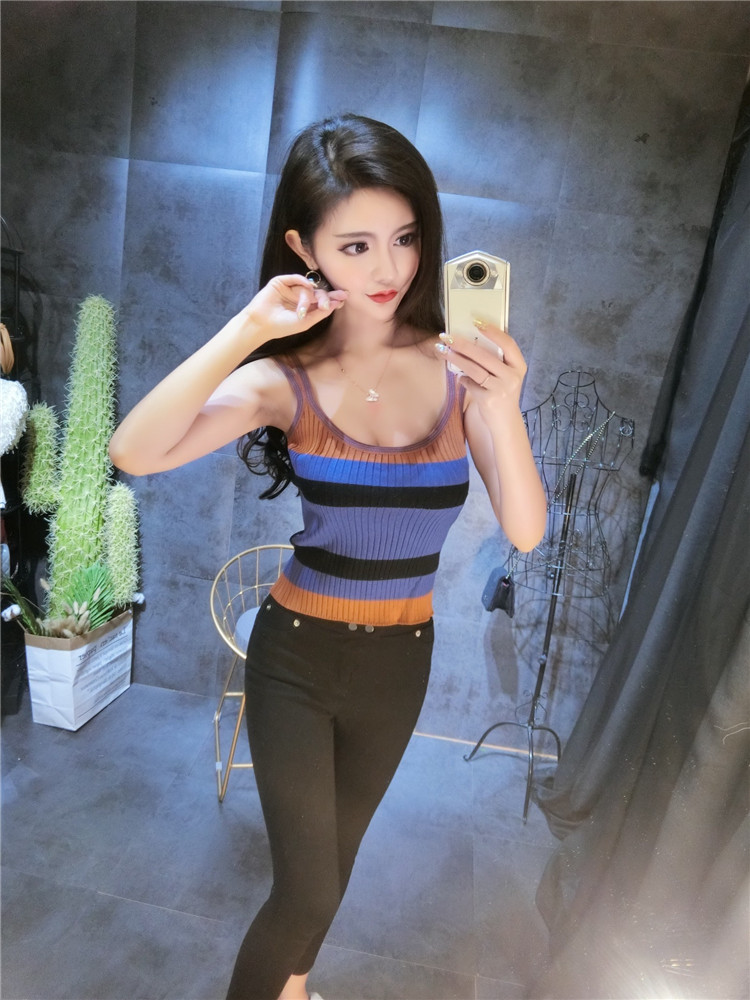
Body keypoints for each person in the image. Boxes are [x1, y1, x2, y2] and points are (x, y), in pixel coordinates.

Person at [109, 113, 547, 1000]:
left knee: (333, 873)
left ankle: (292, 988)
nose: (390, 269)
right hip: (297, 657)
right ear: (303, 249)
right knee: (305, 888)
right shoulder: (286, 379)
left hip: (401, 661)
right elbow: (135, 451)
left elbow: (527, 530)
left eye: (406, 238)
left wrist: (502, 407)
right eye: (355, 246)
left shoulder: (461, 373)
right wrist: (248, 327)